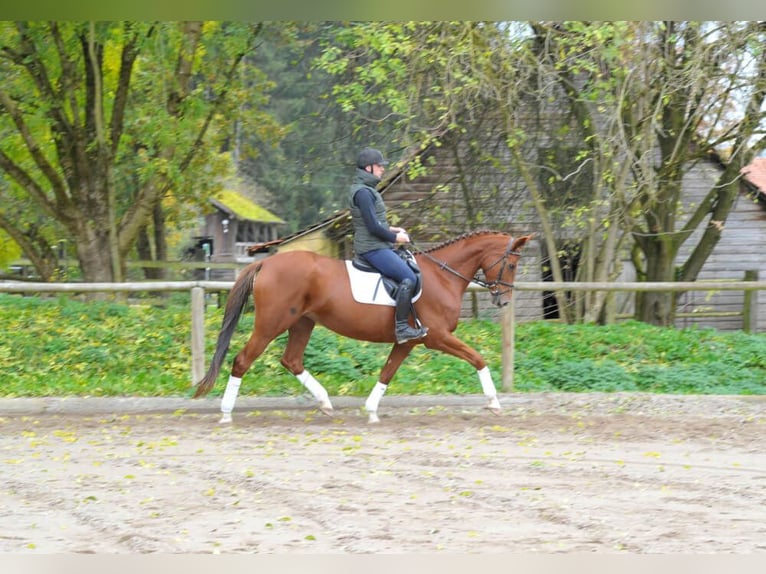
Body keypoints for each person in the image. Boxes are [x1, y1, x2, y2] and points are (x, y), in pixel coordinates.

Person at [349, 147, 428, 344]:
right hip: (372, 248)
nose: (383, 169)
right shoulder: (363, 193)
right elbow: (373, 227)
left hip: (376, 243)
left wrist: (392, 229)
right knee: (408, 277)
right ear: (368, 168)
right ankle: (401, 328)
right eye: (379, 166)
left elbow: (374, 223)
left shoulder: (367, 190)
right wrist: (396, 239)